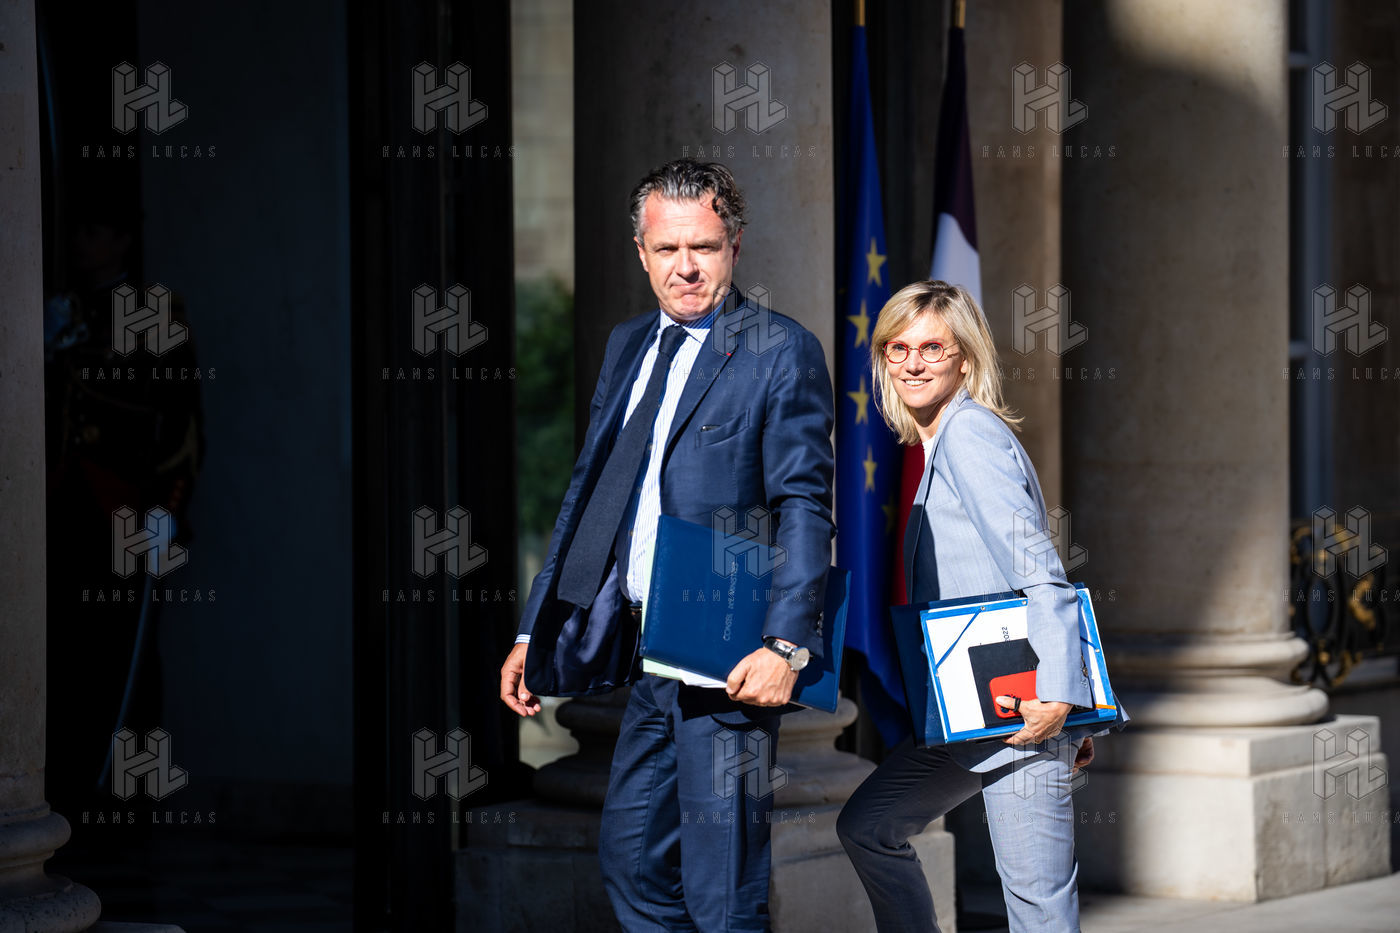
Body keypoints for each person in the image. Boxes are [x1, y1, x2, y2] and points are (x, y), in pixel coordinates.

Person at [499, 159, 835, 931]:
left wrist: (785, 644)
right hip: (651, 651)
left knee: (724, 888)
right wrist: (533, 626)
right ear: (641, 253)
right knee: (631, 860)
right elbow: (591, 494)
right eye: (668, 248)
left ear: (735, 247)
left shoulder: (779, 349)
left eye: (704, 247)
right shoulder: (628, 344)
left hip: (731, 651)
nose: (686, 266)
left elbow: (804, 505)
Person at [836, 280, 1124, 933]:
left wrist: (1063, 701)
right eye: (898, 348)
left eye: (932, 348)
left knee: (1038, 908)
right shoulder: (940, 441)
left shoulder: (969, 436)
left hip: (1022, 718)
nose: (913, 363)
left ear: (964, 358)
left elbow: (1043, 578)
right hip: (968, 715)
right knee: (869, 824)